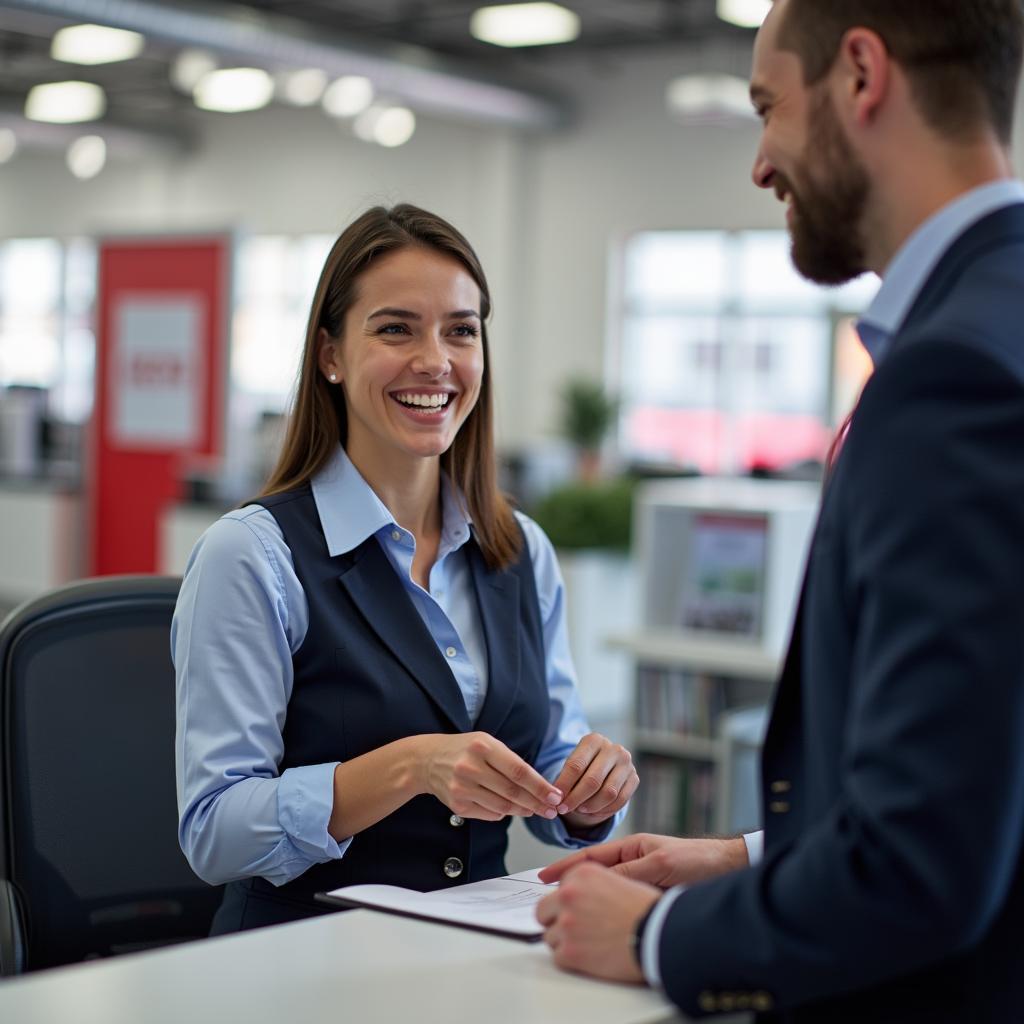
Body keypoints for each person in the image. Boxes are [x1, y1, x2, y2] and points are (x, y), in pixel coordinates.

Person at [536, 1, 1024, 1020]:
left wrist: (654, 937)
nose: (760, 163)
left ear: (859, 75)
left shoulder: (952, 376)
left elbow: (920, 864)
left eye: (768, 107)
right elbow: (986, 769)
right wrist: (749, 858)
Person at [173, 204, 637, 933]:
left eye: (460, 330)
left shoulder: (521, 551)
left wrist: (587, 794)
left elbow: (555, 761)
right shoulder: (252, 556)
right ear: (329, 354)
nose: (435, 360)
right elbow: (214, 830)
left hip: (471, 950)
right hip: (294, 960)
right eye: (396, 328)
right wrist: (409, 767)